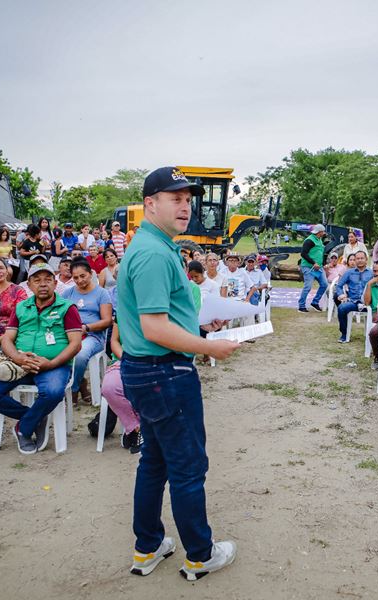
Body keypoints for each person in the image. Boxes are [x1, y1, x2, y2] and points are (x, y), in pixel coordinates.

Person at [117, 166, 241, 580]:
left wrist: (200, 329)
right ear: (150, 204)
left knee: (154, 462)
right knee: (188, 467)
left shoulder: (158, 243)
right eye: (175, 198)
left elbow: (162, 316)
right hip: (163, 373)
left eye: (188, 199)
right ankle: (199, 556)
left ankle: (147, 547)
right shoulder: (153, 251)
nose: (185, 206)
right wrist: (210, 348)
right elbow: (154, 327)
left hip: (149, 370)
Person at [0, 263, 83, 455]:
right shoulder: (21, 307)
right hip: (20, 365)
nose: (43, 284)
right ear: (30, 285)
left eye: (47, 280)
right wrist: (18, 358)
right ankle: (34, 418)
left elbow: (75, 344)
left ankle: (23, 428)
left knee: (52, 392)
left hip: (53, 365)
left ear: (55, 283)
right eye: (37, 280)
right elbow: (7, 339)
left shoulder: (68, 308)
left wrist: (51, 363)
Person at [62, 259, 113, 402]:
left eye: (82, 276)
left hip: (93, 335)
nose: (79, 280)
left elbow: (107, 320)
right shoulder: (67, 293)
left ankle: (73, 388)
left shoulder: (102, 293)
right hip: (69, 334)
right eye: (75, 277)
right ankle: (81, 382)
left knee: (80, 354)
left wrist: (86, 327)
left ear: (91, 274)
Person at [100, 319, 143, 453]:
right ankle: (137, 426)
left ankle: (145, 428)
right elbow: (114, 341)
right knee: (109, 387)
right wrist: (126, 360)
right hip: (125, 359)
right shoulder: (124, 308)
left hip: (156, 361)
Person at [335, 251, 373, 343]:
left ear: (366, 260)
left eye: (362, 258)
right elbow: (339, 285)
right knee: (341, 308)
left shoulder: (372, 273)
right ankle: (344, 333)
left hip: (368, 303)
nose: (360, 260)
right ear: (355, 260)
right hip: (353, 302)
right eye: (357, 259)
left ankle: (373, 336)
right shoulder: (349, 272)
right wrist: (341, 294)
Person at [298, 224, 329, 313]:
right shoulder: (309, 241)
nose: (324, 233)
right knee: (308, 287)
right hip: (308, 267)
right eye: (323, 231)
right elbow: (303, 254)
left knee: (324, 284)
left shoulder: (319, 240)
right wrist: (313, 263)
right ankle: (301, 306)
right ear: (319, 232)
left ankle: (315, 302)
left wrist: (323, 264)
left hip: (319, 267)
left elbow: (319, 253)